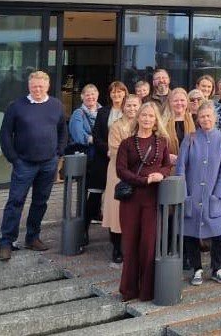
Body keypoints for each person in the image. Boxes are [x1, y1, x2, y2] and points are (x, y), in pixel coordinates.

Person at [0, 70, 67, 261]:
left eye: (41, 86)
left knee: (40, 202)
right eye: (34, 86)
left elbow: (62, 130)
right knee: (15, 202)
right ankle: (6, 242)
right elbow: (5, 134)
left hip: (48, 163)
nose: (37, 89)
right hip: (24, 163)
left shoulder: (56, 105)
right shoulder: (16, 106)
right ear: (29, 86)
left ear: (48, 86)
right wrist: (14, 158)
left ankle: (32, 237)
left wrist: (58, 153)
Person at [117, 102, 172, 301]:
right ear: (138, 118)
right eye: (144, 115)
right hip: (131, 200)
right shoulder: (127, 143)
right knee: (130, 244)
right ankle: (128, 290)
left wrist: (160, 174)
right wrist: (144, 180)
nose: (147, 119)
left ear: (156, 120)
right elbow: (121, 171)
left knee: (148, 245)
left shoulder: (162, 142)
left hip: (152, 199)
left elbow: (167, 166)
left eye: (151, 116)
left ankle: (146, 291)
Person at [177, 101, 221, 285]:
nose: (206, 119)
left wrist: (218, 194)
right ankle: (197, 269)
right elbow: (181, 167)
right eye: (202, 116)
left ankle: (217, 268)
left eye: (209, 116)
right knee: (191, 233)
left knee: (219, 233)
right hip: (192, 194)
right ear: (198, 119)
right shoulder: (190, 138)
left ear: (215, 118)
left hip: (214, 195)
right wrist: (184, 193)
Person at [103, 93, 142, 263]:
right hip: (118, 171)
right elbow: (114, 150)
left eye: (135, 105)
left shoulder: (144, 123)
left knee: (136, 208)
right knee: (117, 208)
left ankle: (133, 246)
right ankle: (117, 247)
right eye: (129, 105)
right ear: (123, 107)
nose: (132, 109)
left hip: (139, 171)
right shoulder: (116, 126)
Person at [92, 81, 128, 246]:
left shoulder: (130, 111)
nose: (116, 95)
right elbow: (97, 136)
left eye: (120, 92)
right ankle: (88, 233)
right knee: (103, 197)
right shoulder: (103, 112)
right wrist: (109, 149)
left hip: (126, 163)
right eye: (113, 92)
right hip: (104, 158)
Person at [68, 83, 103, 243]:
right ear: (82, 97)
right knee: (86, 193)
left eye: (93, 93)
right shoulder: (78, 113)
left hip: (101, 158)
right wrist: (95, 139)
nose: (90, 97)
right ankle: (83, 230)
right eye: (87, 94)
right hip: (87, 159)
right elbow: (77, 134)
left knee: (97, 193)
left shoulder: (103, 112)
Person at [164, 87, 195, 164]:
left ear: (187, 102)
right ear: (170, 103)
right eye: (175, 101)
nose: (179, 103)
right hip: (170, 165)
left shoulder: (195, 120)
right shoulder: (163, 122)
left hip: (191, 163)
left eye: (182, 100)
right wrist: (167, 156)